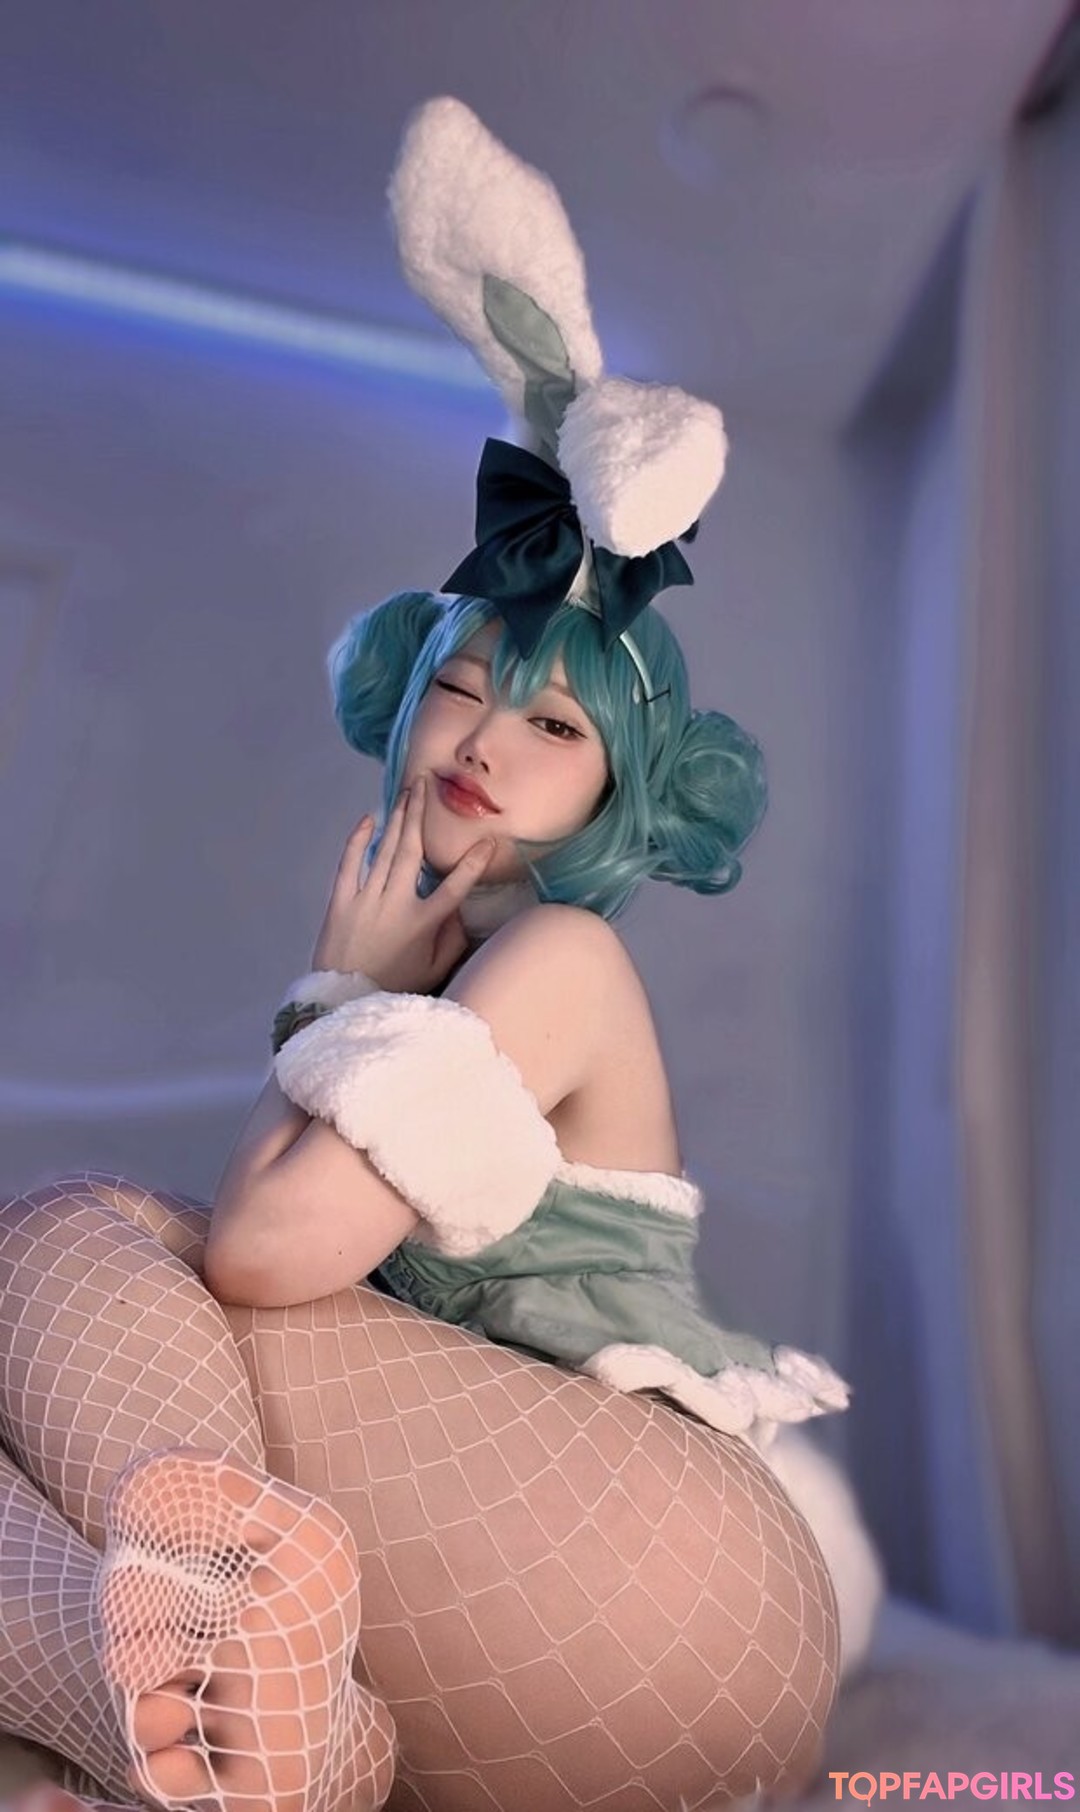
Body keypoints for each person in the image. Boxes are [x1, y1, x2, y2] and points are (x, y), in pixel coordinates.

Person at [0, 96, 869, 1812]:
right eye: (464, 684)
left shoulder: (556, 962)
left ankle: (214, 1638)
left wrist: (334, 992)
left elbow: (264, 1257)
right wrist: (366, 998)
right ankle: (276, 1742)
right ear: (402, 701)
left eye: (554, 724)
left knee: (69, 1236)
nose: (486, 736)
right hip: (566, 1627)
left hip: (664, 1579)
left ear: (617, 795)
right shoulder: (459, 986)